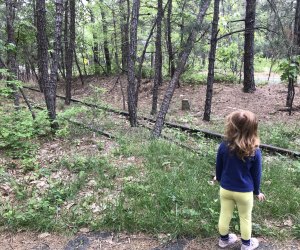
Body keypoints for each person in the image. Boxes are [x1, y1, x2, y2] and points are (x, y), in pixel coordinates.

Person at [215, 110, 265, 250]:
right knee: (245, 217)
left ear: (231, 126)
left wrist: (218, 178)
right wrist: (257, 191)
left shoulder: (224, 146)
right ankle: (246, 244)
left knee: (225, 214)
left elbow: (219, 165)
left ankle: (224, 240)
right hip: (244, 192)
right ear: (253, 129)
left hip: (225, 188)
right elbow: (256, 174)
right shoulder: (254, 150)